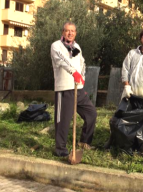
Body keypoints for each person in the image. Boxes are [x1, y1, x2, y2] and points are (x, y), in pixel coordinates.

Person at [50, 21, 97, 157]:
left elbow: (82, 63)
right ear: (63, 32)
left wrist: (81, 76)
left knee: (91, 113)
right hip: (64, 88)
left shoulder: (77, 46)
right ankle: (61, 149)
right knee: (63, 120)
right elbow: (61, 60)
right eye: (67, 30)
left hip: (78, 88)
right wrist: (73, 72)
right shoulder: (56, 46)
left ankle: (84, 142)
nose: (70, 33)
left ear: (75, 33)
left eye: (72, 31)